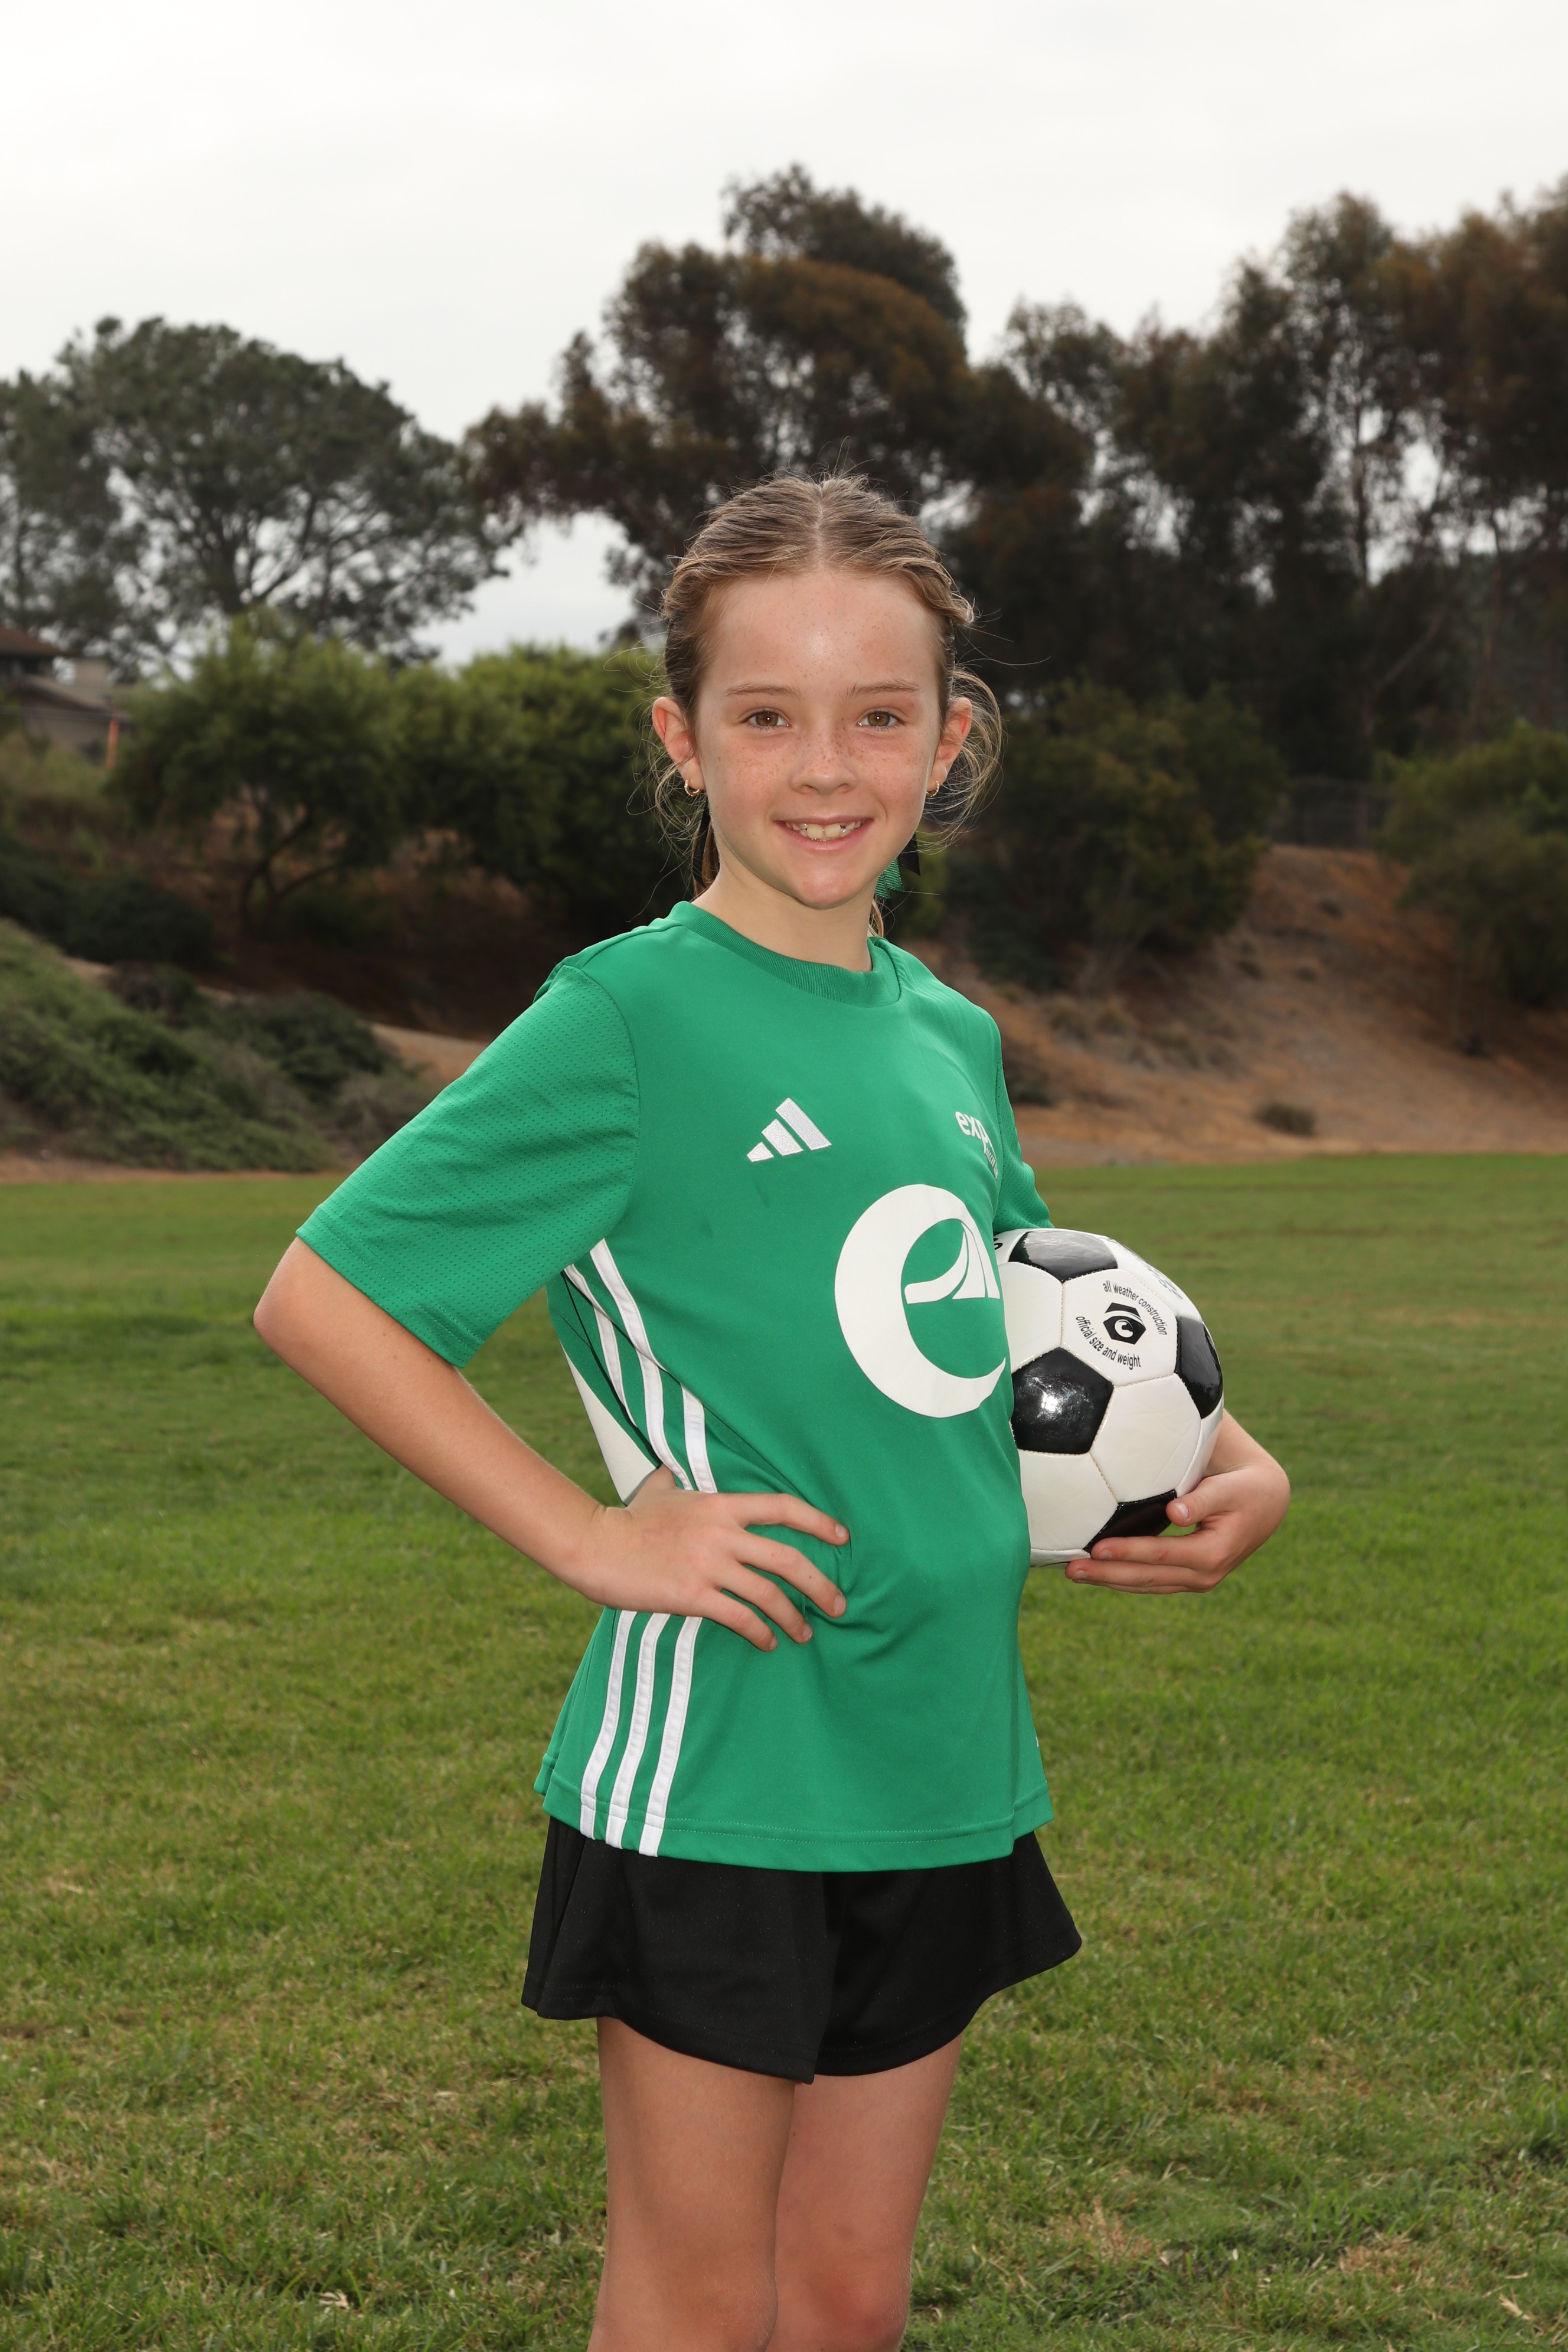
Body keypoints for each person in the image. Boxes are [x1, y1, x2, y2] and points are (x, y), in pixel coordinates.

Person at [254, 474, 1291, 2352]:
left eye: (878, 716)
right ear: (684, 739)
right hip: (728, 1765)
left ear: (948, 745)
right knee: (697, 2306)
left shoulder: (946, 1033)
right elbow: (323, 1298)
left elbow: (1020, 1312)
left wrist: (1234, 1463)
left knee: (845, 2300)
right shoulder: (628, 1019)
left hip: (942, 1751)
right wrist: (592, 1535)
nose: (826, 768)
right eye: (767, 715)